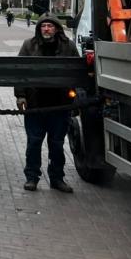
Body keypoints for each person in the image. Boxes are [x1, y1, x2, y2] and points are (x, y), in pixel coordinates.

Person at [15, 14, 78, 192]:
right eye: (43, 26)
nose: (46, 29)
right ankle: (32, 177)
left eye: (50, 26)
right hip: (36, 103)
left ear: (56, 28)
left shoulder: (68, 46)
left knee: (57, 144)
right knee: (34, 142)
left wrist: (75, 98)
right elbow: (19, 70)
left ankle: (57, 178)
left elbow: (77, 71)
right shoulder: (29, 45)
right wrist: (20, 95)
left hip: (60, 104)